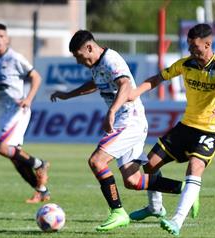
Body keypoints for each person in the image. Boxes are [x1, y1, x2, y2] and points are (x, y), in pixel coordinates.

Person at [50, 30, 191, 232]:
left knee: (96, 161)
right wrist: (68, 94)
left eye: (79, 56)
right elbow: (95, 84)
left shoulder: (111, 59)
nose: (79, 61)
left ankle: (118, 212)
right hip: (129, 122)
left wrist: (112, 111)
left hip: (129, 121)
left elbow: (125, 84)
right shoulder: (97, 64)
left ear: (89, 47)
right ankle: (185, 190)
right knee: (133, 181)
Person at [128, 23, 215, 236]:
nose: (191, 51)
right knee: (149, 165)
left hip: (210, 129)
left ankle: (177, 220)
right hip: (186, 126)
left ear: (208, 44)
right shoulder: (185, 64)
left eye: (196, 47)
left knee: (195, 166)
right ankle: (155, 207)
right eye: (189, 46)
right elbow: (157, 78)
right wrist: (135, 93)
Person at [0, 23, 50, 203]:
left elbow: (36, 77)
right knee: (15, 158)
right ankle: (41, 190)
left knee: (2, 147)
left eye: (2, 36)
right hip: (5, 111)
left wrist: (28, 98)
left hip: (19, 110)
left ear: (7, 38)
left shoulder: (14, 58)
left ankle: (39, 164)